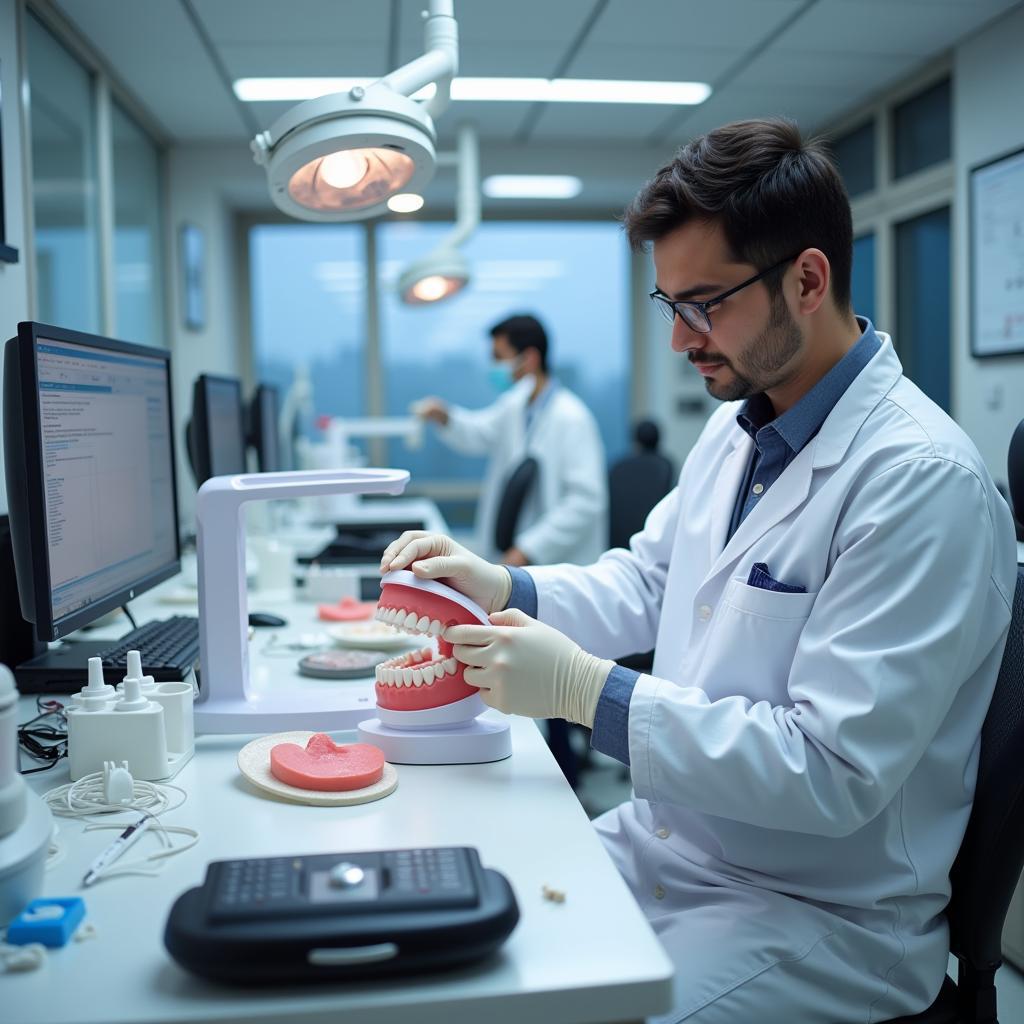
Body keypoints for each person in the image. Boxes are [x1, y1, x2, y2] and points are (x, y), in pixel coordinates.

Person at [381, 118, 1018, 1022]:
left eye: (704, 305)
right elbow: (649, 582)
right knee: (459, 935)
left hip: (823, 918)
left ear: (807, 280)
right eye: (668, 306)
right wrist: (506, 587)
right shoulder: (738, 429)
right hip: (674, 847)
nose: (682, 341)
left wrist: (586, 693)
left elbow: (832, 769)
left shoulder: (919, 482)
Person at [413, 314, 607, 567]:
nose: (494, 366)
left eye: (499, 357)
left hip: (560, 564)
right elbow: (479, 433)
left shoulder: (572, 419)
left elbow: (586, 502)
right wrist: (445, 417)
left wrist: (528, 549)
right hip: (518, 560)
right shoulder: (516, 406)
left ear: (529, 358)